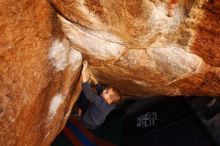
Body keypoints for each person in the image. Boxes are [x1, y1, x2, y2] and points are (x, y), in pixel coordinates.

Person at [76, 61, 121, 129]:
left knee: (83, 97)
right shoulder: (112, 104)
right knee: (95, 98)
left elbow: (89, 94)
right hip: (97, 123)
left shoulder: (101, 103)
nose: (104, 90)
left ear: (108, 100)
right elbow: (101, 92)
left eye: (106, 92)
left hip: (87, 121)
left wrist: (84, 72)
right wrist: (94, 80)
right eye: (106, 89)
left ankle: (79, 116)